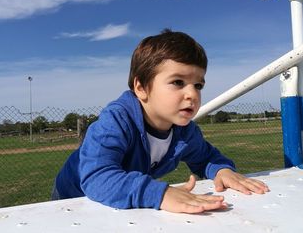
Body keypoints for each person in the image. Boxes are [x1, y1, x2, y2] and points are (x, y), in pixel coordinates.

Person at [53, 29, 269, 214]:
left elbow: (205, 157)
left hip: (117, 205)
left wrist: (221, 170)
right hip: (72, 199)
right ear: (141, 88)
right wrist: (161, 194)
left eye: (198, 85)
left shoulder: (185, 132)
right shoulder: (117, 121)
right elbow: (97, 178)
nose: (192, 94)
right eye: (178, 82)